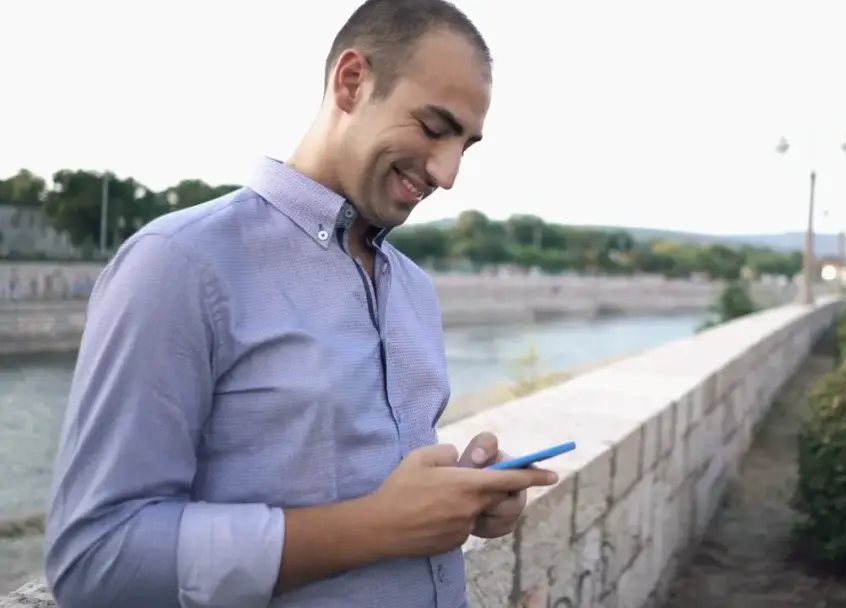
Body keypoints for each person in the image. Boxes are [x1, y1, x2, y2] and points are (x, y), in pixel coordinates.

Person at [42, 1, 557, 606]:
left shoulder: (414, 288)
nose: (447, 174)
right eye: (434, 127)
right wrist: (377, 528)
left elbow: (380, 488)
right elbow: (96, 558)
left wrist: (464, 500)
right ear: (352, 82)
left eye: (465, 146)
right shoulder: (178, 263)